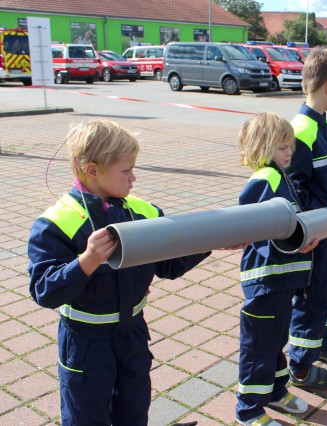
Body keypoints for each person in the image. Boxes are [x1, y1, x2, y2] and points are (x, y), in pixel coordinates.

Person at [27, 120, 212, 426]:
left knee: (134, 409)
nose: (133, 177)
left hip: (132, 334)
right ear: (93, 170)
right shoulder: (55, 223)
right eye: (126, 170)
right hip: (85, 342)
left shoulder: (142, 212)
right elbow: (44, 290)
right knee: (85, 416)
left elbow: (168, 264)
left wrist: (210, 243)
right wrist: (85, 261)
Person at [236, 112, 318, 426]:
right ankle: (248, 409)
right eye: (282, 147)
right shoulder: (265, 180)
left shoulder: (279, 177)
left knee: (275, 340)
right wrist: (296, 244)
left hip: (281, 281)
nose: (290, 152)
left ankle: (275, 390)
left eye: (290, 146)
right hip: (265, 281)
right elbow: (253, 229)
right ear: (263, 146)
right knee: (259, 346)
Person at [286, 47, 327, 388]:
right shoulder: (301, 131)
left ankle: (321, 345)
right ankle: (300, 366)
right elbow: (294, 191)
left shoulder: (325, 128)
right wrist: (316, 225)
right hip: (315, 237)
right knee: (312, 300)